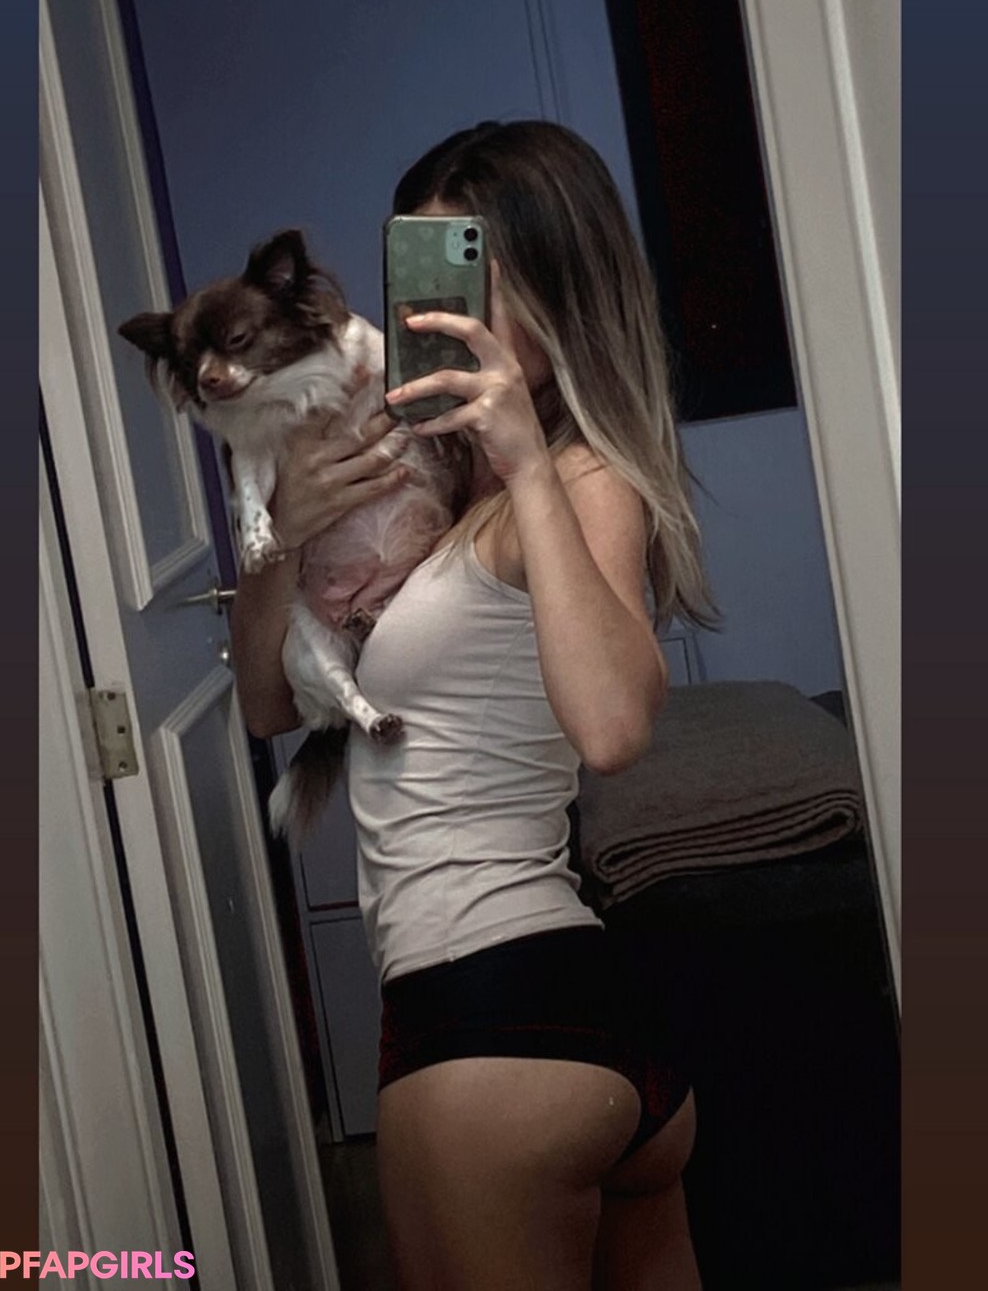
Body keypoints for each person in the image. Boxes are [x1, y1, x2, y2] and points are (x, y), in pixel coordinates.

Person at [231, 120, 716, 1290]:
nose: (441, 309)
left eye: (478, 271)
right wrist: (277, 537)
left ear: (559, 282)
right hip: (558, 1004)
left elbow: (612, 728)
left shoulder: (584, 473)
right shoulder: (443, 485)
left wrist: (527, 457)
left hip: (486, 1025)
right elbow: (265, 707)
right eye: (427, 264)